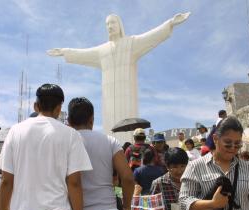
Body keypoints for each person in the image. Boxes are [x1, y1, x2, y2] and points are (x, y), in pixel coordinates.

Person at [47, 12, 190, 143]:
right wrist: (64, 52)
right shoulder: (102, 50)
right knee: (109, 128)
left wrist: (170, 23)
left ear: (120, 25)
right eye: (107, 24)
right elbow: (82, 54)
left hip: (127, 97)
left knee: (127, 122)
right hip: (108, 99)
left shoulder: (131, 43)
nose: (110, 26)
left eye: (113, 23)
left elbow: (151, 36)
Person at [0, 84, 92, 210]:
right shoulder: (71, 135)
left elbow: (6, 182)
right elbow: (74, 183)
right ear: (58, 108)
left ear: (35, 106)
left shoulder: (15, 131)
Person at [67, 97, 135, 210]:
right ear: (92, 119)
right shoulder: (109, 141)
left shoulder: (65, 141)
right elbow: (127, 177)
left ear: (68, 120)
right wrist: (126, 207)